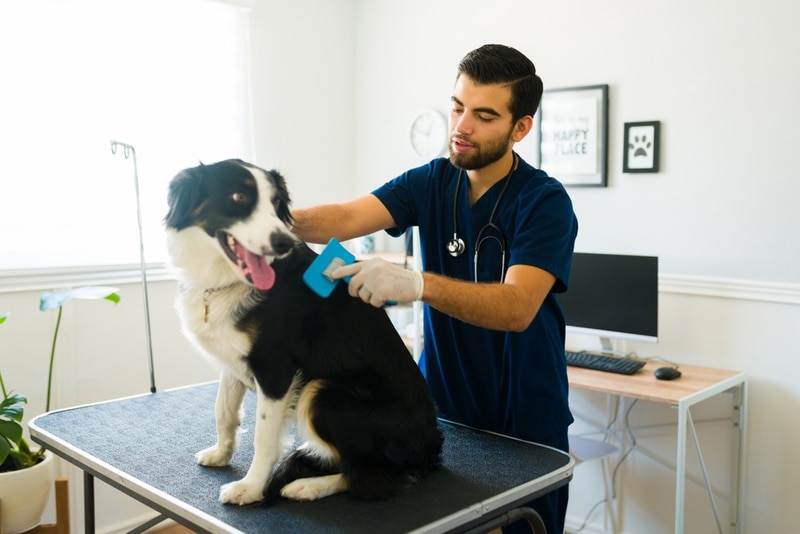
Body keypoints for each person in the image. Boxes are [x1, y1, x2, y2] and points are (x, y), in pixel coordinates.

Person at [292, 44, 577, 533]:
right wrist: (268, 219)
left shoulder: (545, 202)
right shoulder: (430, 181)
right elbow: (345, 218)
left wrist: (418, 284)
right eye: (457, 106)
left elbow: (517, 308)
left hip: (524, 417)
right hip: (442, 407)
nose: (461, 125)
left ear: (520, 127)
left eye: (484, 115)